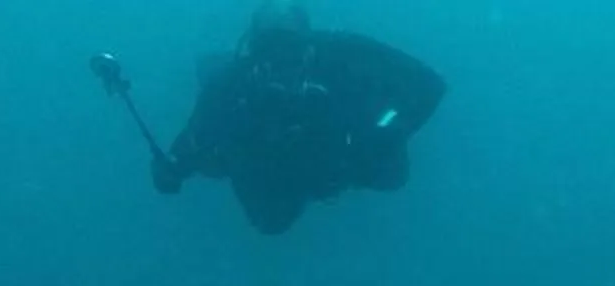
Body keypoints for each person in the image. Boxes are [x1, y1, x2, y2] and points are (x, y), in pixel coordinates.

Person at [137, 6, 446, 234]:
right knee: (270, 222)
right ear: (252, 54)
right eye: (268, 55)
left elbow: (428, 85)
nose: (281, 68)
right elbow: (194, 136)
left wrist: (380, 134)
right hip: (274, 174)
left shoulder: (344, 56)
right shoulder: (232, 81)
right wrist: (173, 167)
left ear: (310, 47)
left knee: (391, 173)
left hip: (344, 154)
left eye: (290, 53)